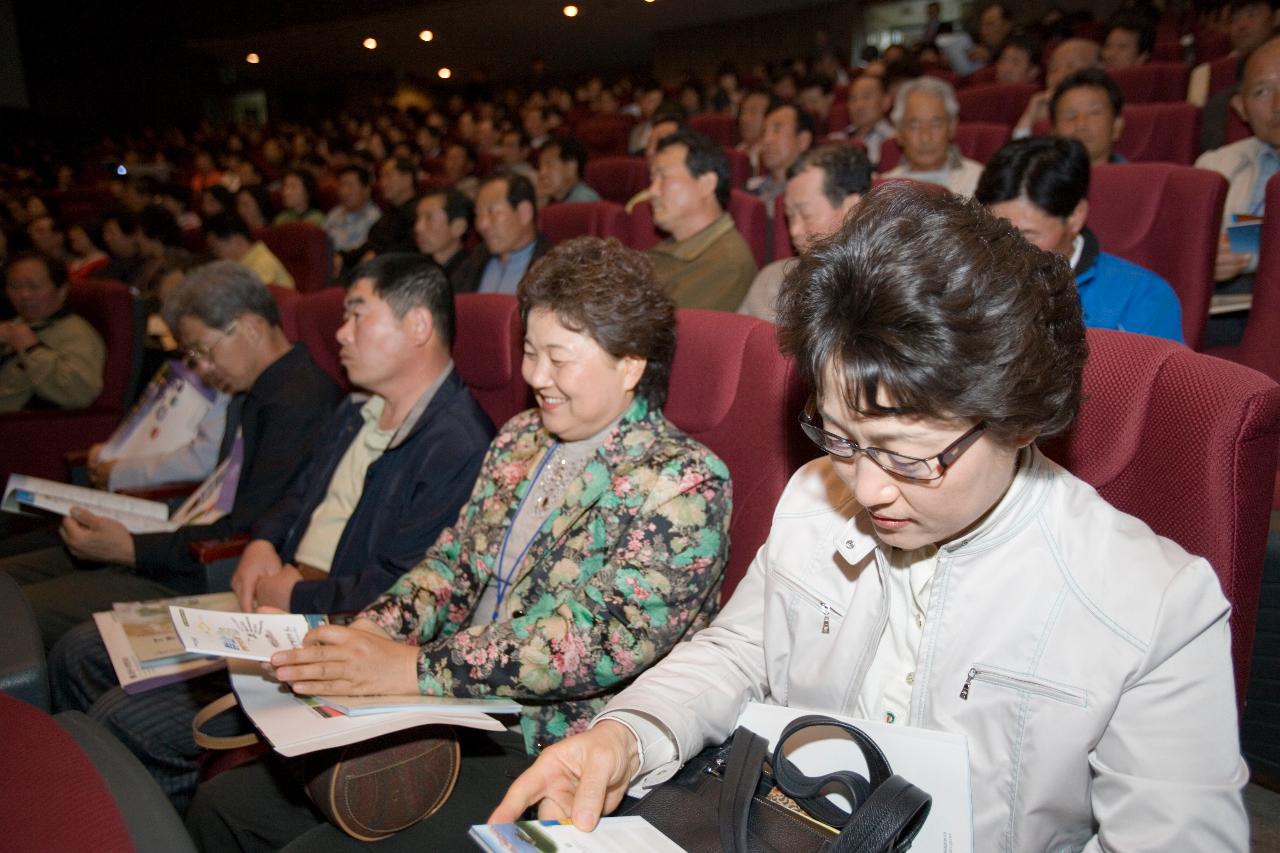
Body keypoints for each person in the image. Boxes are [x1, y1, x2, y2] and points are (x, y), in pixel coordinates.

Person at [492, 183, 1249, 852]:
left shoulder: (1154, 607)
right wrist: (626, 736)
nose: (869, 488)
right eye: (842, 438)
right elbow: (739, 651)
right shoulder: (816, 499)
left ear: (1020, 419)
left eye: (908, 455)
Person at [185, 236, 733, 850]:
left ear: (630, 365)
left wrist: (413, 667)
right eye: (529, 352)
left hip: (554, 744)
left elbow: (588, 645)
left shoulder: (683, 481)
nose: (534, 377)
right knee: (224, 806)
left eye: (558, 358)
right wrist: (372, 633)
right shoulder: (523, 436)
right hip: (458, 705)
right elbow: (453, 564)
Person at [50, 253, 494, 812]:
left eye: (358, 315)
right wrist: (262, 541)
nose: (340, 332)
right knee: (85, 650)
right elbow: (294, 496)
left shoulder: (459, 443)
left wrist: (294, 594)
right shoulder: (357, 411)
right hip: (273, 604)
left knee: (126, 718)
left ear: (418, 327)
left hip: (333, 627)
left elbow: (402, 586)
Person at [0, 261, 343, 646]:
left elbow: (248, 530)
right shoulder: (258, 391)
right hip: (182, 540)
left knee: (20, 617)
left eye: (203, 351)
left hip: (201, 570)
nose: (203, 368)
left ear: (249, 326)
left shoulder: (298, 403)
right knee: (14, 573)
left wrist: (131, 549)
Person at [977, 137, 1183, 342]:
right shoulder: (968, 284)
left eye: (1027, 235)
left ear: (1076, 216)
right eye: (996, 233)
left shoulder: (1142, 299)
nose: (1007, 250)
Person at [739, 145, 871, 322]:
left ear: (852, 208)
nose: (794, 230)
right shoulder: (771, 279)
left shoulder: (885, 293)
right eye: (790, 216)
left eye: (806, 214)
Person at [1197, 35, 1280, 284]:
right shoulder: (1215, 167)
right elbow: (1184, 249)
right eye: (1262, 91)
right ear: (1241, 107)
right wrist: (1204, 261)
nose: (1278, 104)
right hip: (1229, 308)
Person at [646, 130, 757, 311]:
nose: (652, 191)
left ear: (706, 184)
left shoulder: (726, 265)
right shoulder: (672, 249)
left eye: (663, 177)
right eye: (652, 178)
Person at [0, 251, 105, 412]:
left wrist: (32, 349)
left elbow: (81, 394)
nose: (24, 295)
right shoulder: (17, 324)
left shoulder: (76, 333)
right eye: (15, 287)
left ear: (62, 290)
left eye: (34, 287)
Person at [452, 171, 551, 295]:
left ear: (524, 213)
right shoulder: (472, 263)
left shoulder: (553, 269)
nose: (482, 224)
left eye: (492, 212)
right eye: (478, 214)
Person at [882, 76, 983, 197]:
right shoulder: (883, 189)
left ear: (952, 128)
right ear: (899, 133)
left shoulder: (980, 181)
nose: (925, 137)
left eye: (936, 124)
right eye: (915, 126)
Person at [1188, 0, 1277, 106]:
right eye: (1234, 19)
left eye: (1251, 15)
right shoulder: (1207, 75)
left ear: (1276, 17)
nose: (1241, 25)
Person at [1013, 38, 1103, 138]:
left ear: (1097, 70)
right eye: (1053, 69)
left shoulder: (1102, 113)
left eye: (1071, 67)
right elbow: (1018, 151)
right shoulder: (1043, 108)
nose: (1059, 77)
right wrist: (1029, 118)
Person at [1051, 68, 1128, 164]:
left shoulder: (1139, 178)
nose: (1081, 124)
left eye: (1094, 113)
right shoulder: (1038, 178)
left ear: (1116, 127)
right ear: (1053, 132)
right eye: (1070, 115)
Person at [748, 104, 816, 208]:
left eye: (777, 130)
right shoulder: (751, 189)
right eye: (764, 132)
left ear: (803, 140)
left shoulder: (812, 194)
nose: (766, 140)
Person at [204, 211, 294, 289]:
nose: (216, 255)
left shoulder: (262, 263)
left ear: (236, 240)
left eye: (217, 249)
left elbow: (250, 302)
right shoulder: (240, 265)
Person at [323, 165, 382, 273]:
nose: (344, 191)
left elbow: (365, 254)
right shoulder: (334, 213)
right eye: (341, 185)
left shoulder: (375, 218)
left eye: (350, 186)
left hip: (352, 270)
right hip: (327, 266)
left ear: (367, 189)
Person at [414, 188, 473, 283]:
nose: (418, 227)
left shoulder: (472, 272)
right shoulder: (418, 269)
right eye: (418, 218)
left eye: (429, 218)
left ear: (458, 227)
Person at [837, 73, 895, 167]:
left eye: (866, 97)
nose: (859, 105)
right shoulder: (837, 139)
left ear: (886, 101)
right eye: (853, 99)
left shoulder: (895, 142)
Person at [536, 136, 601, 206]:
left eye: (549, 165)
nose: (542, 173)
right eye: (540, 167)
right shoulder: (555, 200)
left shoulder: (584, 202)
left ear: (571, 167)